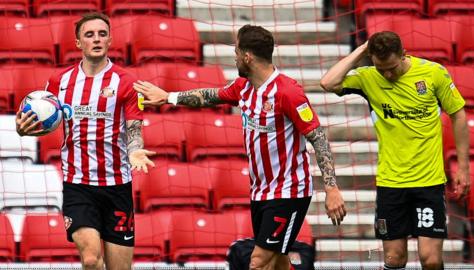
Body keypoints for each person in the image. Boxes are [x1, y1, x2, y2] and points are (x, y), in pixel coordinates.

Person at [133, 24, 346, 270]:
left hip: (289, 192)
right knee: (278, 263)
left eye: (236, 51)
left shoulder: (288, 92)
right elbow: (211, 96)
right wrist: (169, 97)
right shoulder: (243, 88)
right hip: (260, 192)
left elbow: (318, 137)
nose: (234, 57)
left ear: (247, 56)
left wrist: (331, 188)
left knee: (257, 262)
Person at [320, 31, 470, 270]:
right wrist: (361, 50)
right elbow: (328, 82)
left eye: (391, 68)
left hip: (428, 183)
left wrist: (463, 167)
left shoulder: (432, 73)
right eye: (381, 69)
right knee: (394, 258)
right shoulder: (369, 78)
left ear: (403, 54)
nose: (387, 74)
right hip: (391, 184)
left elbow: (458, 115)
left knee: (430, 259)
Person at [16, 12, 155, 270]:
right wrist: (24, 130)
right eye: (89, 34)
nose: (97, 39)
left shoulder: (126, 82)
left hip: (117, 187)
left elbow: (134, 126)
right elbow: (40, 122)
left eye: (102, 34)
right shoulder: (59, 82)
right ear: (78, 42)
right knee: (91, 260)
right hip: (77, 185)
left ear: (110, 39)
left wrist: (135, 151)